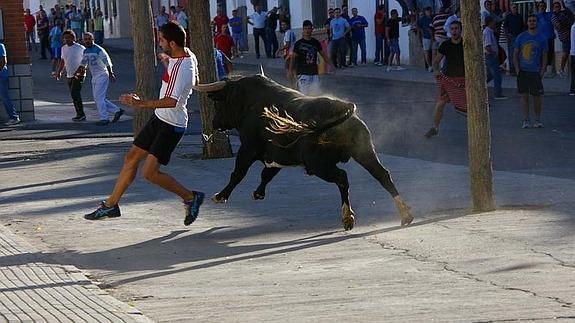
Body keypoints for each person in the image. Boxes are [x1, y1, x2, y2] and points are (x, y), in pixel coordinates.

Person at [85, 21, 204, 224]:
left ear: (173, 43)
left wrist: (140, 104)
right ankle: (111, 206)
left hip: (172, 125)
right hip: (159, 118)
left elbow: (171, 101)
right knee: (131, 158)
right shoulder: (185, 55)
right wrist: (167, 62)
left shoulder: (182, 67)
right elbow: (189, 81)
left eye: (162, 40)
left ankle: (191, 197)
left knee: (149, 173)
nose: (160, 43)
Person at [424, 21, 467, 138]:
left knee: (468, 108)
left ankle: (476, 131)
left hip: (463, 80)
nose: (454, 31)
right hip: (449, 80)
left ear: (461, 30)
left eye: (456, 28)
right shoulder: (445, 45)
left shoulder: (466, 45)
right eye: (452, 29)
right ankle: (435, 127)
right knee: (440, 104)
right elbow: (436, 62)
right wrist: (436, 71)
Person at [76, 32, 123, 125]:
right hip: (94, 76)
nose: (87, 41)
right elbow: (83, 65)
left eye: (89, 39)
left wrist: (111, 73)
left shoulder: (99, 50)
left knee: (99, 98)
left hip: (102, 75)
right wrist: (76, 73)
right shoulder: (85, 51)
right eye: (85, 39)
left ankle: (104, 118)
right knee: (99, 98)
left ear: (93, 39)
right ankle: (117, 110)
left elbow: (107, 62)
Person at [514, 14, 548, 129]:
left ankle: (537, 120)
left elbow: (544, 56)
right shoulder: (521, 37)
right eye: (530, 21)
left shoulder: (542, 38)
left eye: (534, 21)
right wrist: (517, 70)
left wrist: (543, 70)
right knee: (524, 97)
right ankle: (526, 120)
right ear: (527, 23)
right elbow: (515, 54)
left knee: (537, 96)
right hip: (523, 71)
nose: (532, 22)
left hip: (536, 72)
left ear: (536, 22)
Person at [289, 20, 331, 96]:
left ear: (312, 29)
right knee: (304, 95)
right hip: (302, 73)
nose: (307, 31)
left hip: (314, 73)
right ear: (303, 30)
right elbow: (293, 58)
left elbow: (323, 55)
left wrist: (331, 65)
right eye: (305, 29)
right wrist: (290, 70)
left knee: (316, 94)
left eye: (309, 28)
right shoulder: (298, 44)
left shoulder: (316, 42)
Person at [52, 30, 86, 121]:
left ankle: (81, 114)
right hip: (69, 74)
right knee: (73, 94)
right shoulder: (64, 48)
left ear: (73, 38)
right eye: (65, 38)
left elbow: (85, 61)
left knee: (75, 93)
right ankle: (79, 113)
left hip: (79, 74)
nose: (66, 40)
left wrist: (80, 71)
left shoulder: (80, 48)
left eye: (69, 38)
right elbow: (63, 61)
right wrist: (59, 72)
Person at [483, 16, 507, 99]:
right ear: (490, 22)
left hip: (491, 55)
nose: (495, 24)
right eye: (494, 22)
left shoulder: (490, 31)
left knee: (490, 75)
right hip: (490, 55)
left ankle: (481, 85)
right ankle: (498, 93)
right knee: (497, 75)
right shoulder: (487, 32)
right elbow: (487, 46)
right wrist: (493, 52)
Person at [551, 1, 574, 78]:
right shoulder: (554, 16)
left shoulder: (562, 13)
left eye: (559, 6)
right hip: (565, 36)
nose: (558, 8)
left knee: (570, 52)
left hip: (570, 35)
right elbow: (558, 26)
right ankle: (561, 69)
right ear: (553, 8)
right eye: (556, 7)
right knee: (566, 52)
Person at [0, 43, 20, 126]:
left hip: (1, 75)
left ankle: (14, 117)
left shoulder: (0, 46)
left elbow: (3, 61)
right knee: (4, 97)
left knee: (4, 97)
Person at [536, 1, 556, 77]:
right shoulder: (536, 16)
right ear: (538, 7)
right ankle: (541, 70)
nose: (542, 7)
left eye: (543, 6)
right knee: (542, 54)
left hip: (550, 37)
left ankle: (549, 70)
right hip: (541, 39)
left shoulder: (550, 14)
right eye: (540, 6)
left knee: (550, 54)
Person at [504, 4, 524, 75]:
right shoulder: (508, 17)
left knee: (519, 53)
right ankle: (512, 69)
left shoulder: (520, 16)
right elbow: (505, 27)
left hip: (519, 37)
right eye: (513, 8)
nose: (515, 9)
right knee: (511, 53)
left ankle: (518, 69)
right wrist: (507, 35)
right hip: (511, 37)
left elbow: (522, 26)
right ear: (510, 8)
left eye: (516, 7)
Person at [417, 7, 434, 71]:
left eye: (429, 11)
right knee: (426, 52)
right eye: (427, 11)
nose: (429, 12)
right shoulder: (422, 19)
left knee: (433, 52)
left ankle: (433, 65)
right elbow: (418, 26)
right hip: (426, 37)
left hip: (434, 37)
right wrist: (422, 32)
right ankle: (429, 66)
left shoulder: (433, 18)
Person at [570, 21, 575, 95]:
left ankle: (573, 89)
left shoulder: (573, 26)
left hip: (573, 53)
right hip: (574, 53)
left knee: (573, 73)